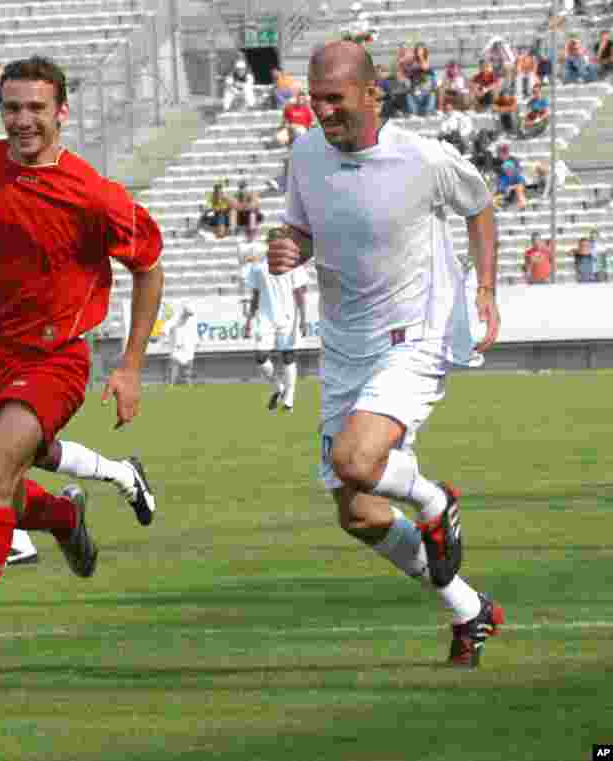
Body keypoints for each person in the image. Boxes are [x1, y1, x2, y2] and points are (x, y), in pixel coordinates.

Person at [0, 55, 164, 687]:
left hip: (53, 358)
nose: (23, 120)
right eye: (12, 108)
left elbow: (149, 267)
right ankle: (66, 518)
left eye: (36, 108)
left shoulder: (92, 193)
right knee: (1, 492)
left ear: (61, 112)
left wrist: (131, 366)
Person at [268, 41, 504, 668]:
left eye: (334, 99)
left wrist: (484, 290)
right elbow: (302, 230)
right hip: (345, 344)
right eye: (315, 99)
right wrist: (288, 247)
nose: (322, 111)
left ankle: (434, 500)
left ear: (372, 94)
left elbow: (480, 207)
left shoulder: (423, 158)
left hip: (414, 336)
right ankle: (469, 608)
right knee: (359, 513)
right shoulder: (305, 155)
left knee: (355, 459)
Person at [248, 228, 308, 413]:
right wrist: (249, 319)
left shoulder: (295, 265)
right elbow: (255, 295)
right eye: (273, 241)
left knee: (288, 356)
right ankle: (278, 387)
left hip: (288, 316)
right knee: (260, 356)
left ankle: (289, 401)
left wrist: (303, 318)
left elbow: (300, 293)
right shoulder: (258, 267)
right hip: (265, 317)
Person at [166, 303, 198, 386]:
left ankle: (189, 383)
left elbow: (194, 332)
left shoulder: (191, 321)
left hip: (188, 346)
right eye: (187, 314)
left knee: (189, 366)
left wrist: (195, 343)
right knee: (175, 366)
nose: (188, 316)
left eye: (189, 314)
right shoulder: (175, 320)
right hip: (177, 347)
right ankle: (171, 384)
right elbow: (168, 328)